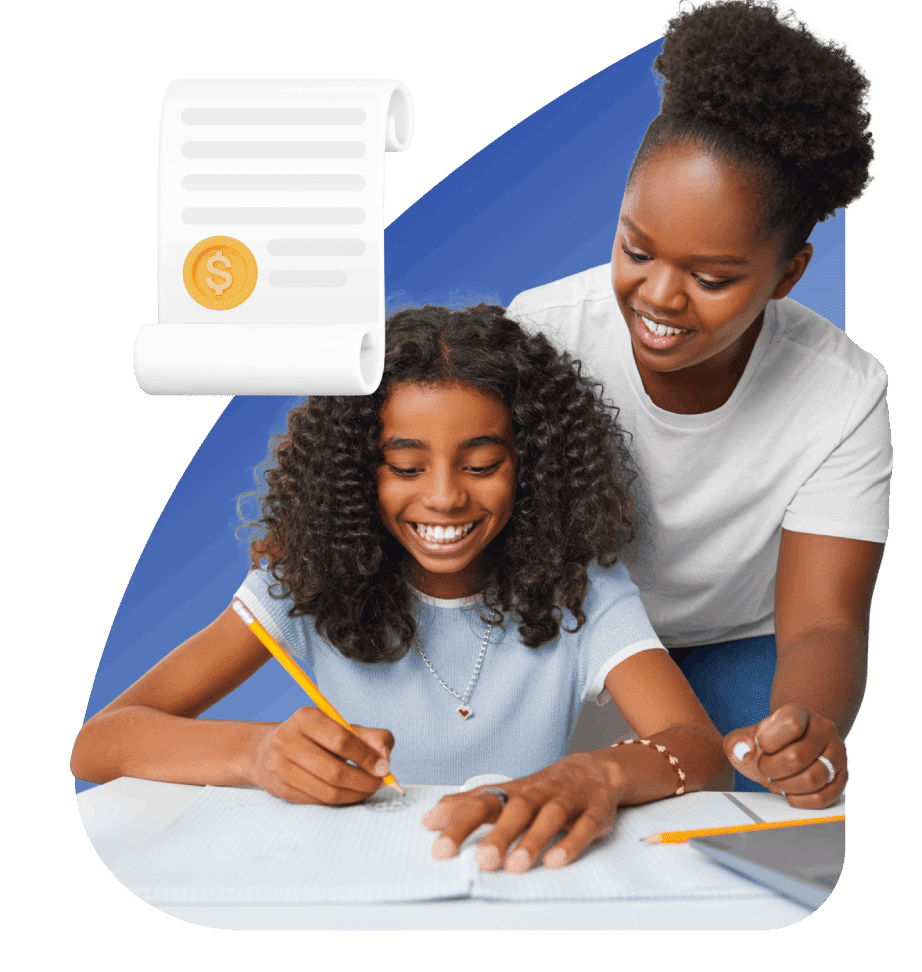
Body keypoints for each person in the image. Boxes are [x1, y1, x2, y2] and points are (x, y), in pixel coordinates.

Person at [70, 303, 735, 875]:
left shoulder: (580, 588)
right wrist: (255, 754)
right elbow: (100, 743)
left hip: (515, 878)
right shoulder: (304, 583)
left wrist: (599, 773)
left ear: (532, 467)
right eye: (406, 466)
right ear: (359, 473)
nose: (444, 497)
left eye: (481, 464)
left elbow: (699, 749)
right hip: (347, 879)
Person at [506, 0, 890, 806]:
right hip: (572, 643)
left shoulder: (843, 393)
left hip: (731, 653)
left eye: (711, 278)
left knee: (757, 784)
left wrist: (806, 722)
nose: (660, 296)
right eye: (635, 248)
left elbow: (823, 621)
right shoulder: (542, 334)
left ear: (789, 274)